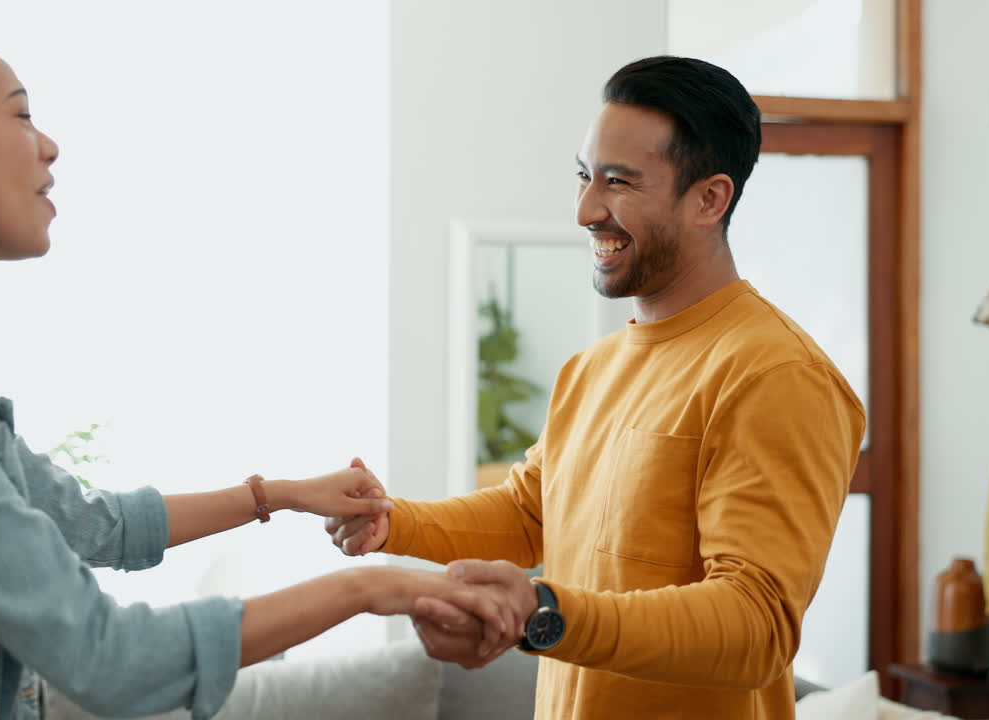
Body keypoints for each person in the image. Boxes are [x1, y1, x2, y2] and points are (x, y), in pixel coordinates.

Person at [0, 22, 520, 720]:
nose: (50, 146)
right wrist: (373, 590)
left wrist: (276, 496)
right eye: (21, 114)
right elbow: (107, 657)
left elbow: (88, 524)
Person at [326, 56, 866, 719]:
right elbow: (530, 514)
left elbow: (757, 625)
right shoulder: (592, 369)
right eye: (585, 176)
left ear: (709, 199)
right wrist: (389, 520)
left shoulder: (775, 374)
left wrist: (546, 612)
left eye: (619, 182)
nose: (585, 210)